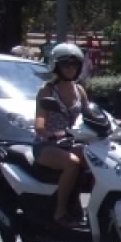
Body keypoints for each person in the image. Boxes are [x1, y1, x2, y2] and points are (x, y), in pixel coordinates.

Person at [32, 44, 89, 227]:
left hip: (71, 142)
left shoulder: (79, 91)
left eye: (74, 65)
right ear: (56, 66)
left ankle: (88, 206)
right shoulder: (47, 90)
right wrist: (50, 134)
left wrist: (117, 122)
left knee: (96, 159)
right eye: (66, 65)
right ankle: (60, 211)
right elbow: (39, 123)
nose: (70, 69)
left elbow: (91, 115)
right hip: (47, 145)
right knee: (71, 162)